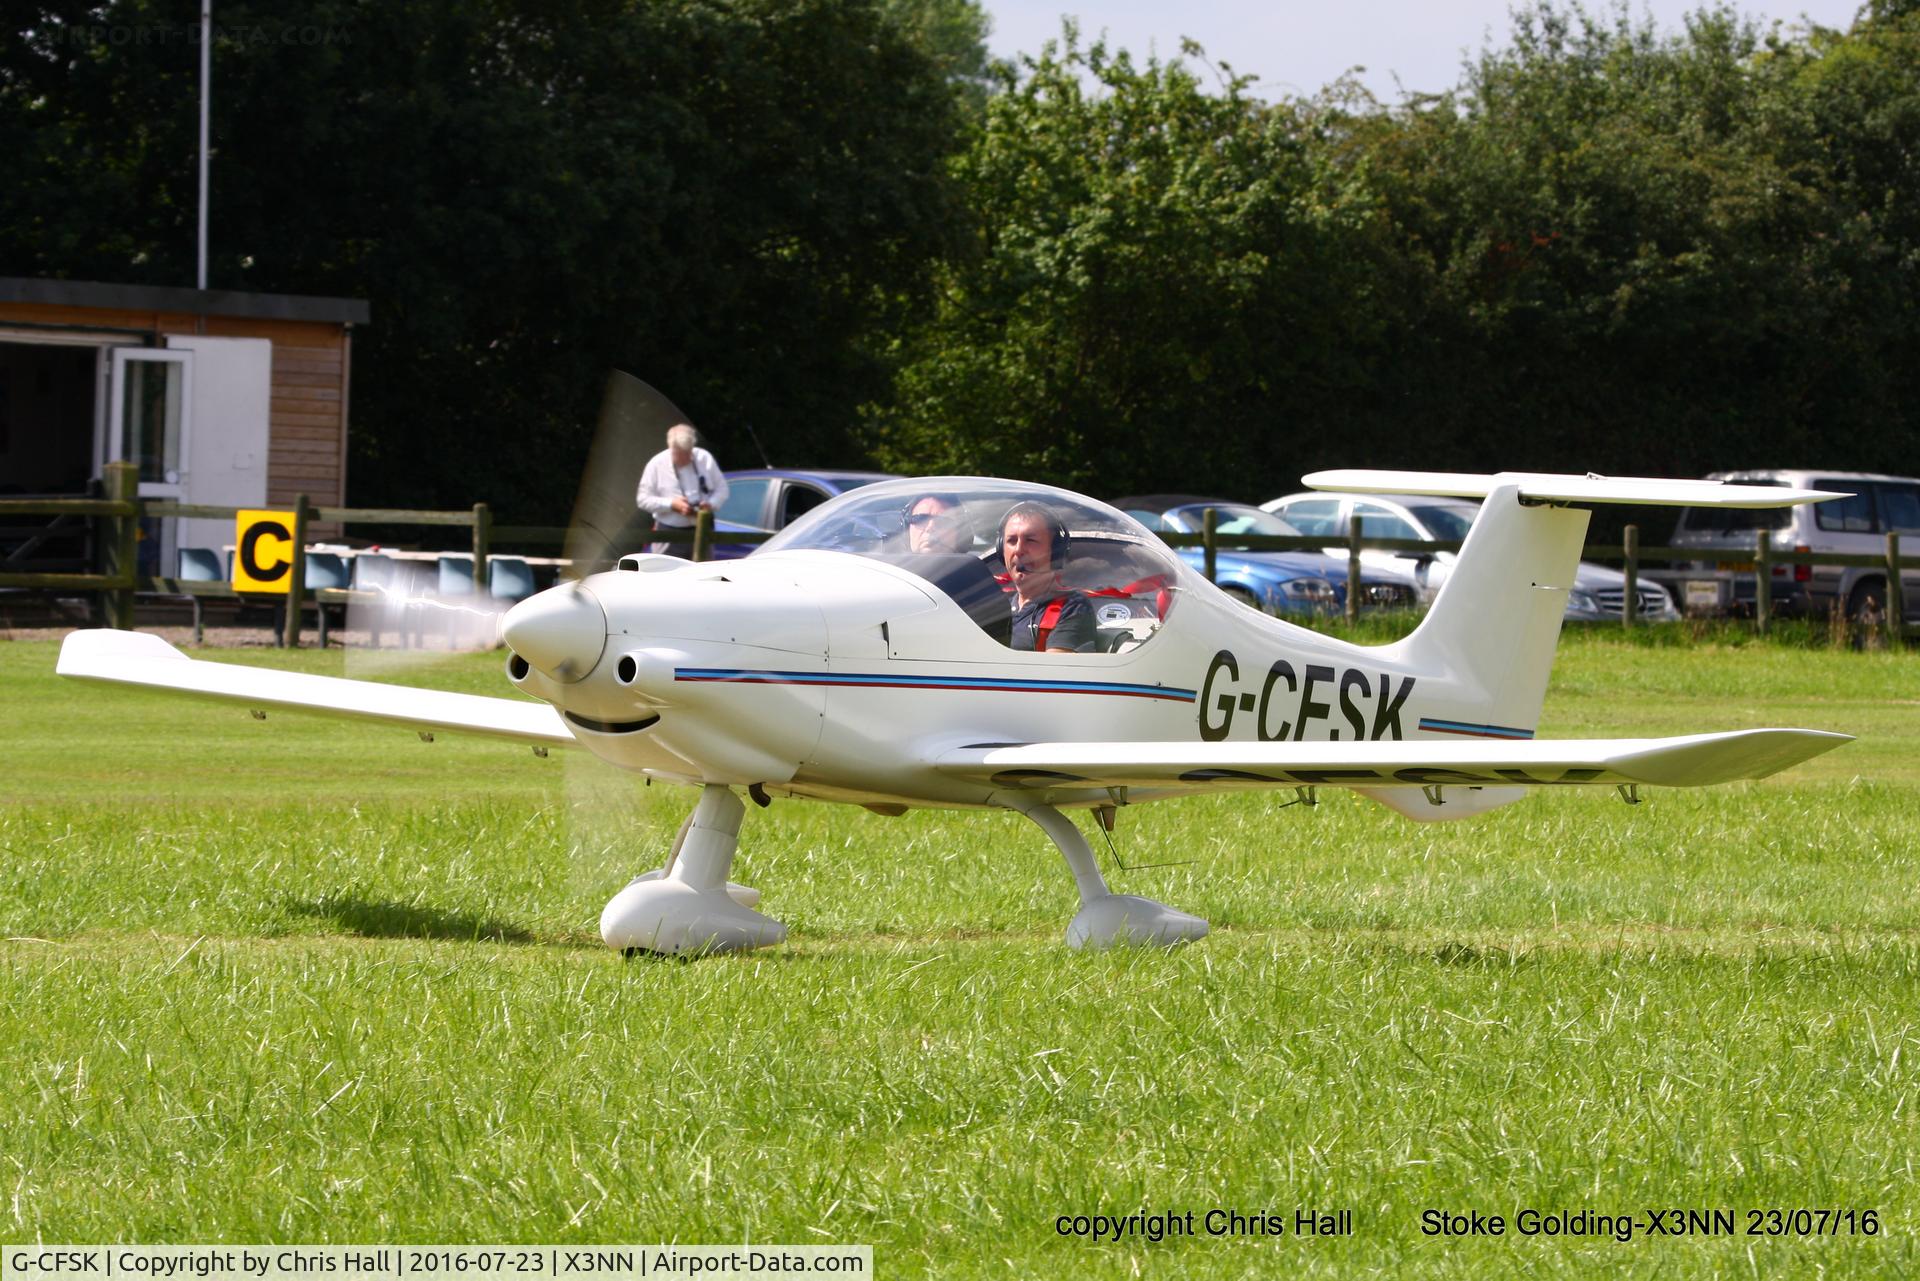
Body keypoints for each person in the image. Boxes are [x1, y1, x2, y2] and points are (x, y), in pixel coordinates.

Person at [998, 501, 1097, 653]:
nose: (1018, 550)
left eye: (1030, 540)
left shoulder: (1072, 607)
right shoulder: (996, 607)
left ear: (1055, 551)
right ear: (1001, 550)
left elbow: (1054, 673)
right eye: (1011, 541)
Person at [636, 424, 729, 556]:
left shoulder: (704, 458)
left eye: (687, 453)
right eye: (679, 453)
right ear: (670, 447)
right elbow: (642, 500)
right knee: (666, 575)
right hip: (668, 534)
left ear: (692, 448)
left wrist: (711, 504)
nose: (684, 458)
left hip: (702, 532)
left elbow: (722, 489)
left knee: (703, 575)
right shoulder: (656, 464)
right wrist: (672, 505)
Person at [904, 493, 975, 555]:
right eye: (920, 519)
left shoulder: (976, 569)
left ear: (959, 534)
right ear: (907, 528)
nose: (930, 527)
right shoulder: (893, 568)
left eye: (943, 521)